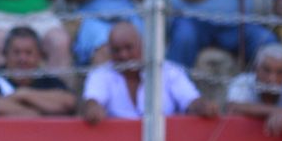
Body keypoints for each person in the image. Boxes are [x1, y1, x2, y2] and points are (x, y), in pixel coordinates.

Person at [81, 21, 216, 123]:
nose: (123, 55)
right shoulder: (100, 74)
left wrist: (202, 106)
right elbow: (92, 100)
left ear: (142, 45)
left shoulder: (169, 71)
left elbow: (190, 99)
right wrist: (92, 108)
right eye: (117, 50)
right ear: (110, 52)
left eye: (129, 48)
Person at [0, 25, 75, 116]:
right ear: (5, 54)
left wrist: (23, 94)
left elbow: (69, 102)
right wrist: (35, 114)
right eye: (16, 52)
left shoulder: (48, 80)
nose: (22, 59)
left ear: (39, 56)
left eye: (28, 53)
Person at [225, 42, 282, 139]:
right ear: (256, 68)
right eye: (266, 70)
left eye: (280, 72)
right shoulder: (242, 81)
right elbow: (233, 107)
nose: (272, 79)